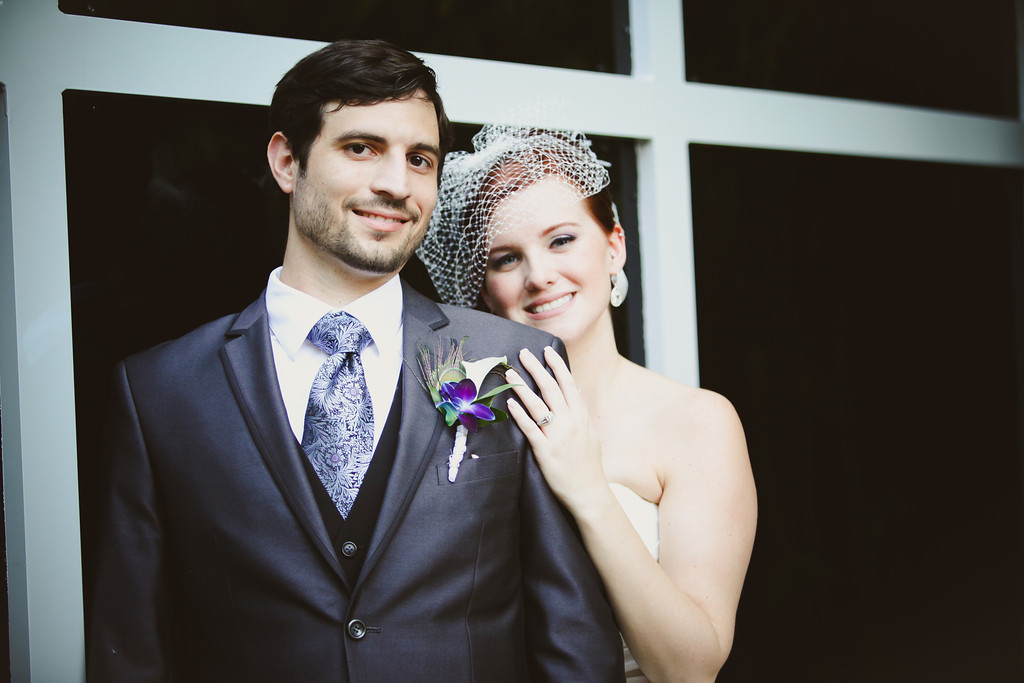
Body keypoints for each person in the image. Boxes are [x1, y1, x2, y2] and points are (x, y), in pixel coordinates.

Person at [86, 42, 624, 682]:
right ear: (288, 161)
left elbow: (572, 637)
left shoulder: (514, 362)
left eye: (419, 159)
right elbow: (131, 652)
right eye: (361, 148)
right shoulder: (159, 392)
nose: (396, 185)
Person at [418, 126, 757, 682]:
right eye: (506, 258)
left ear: (614, 245)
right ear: (483, 288)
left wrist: (589, 491)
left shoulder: (698, 423)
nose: (540, 275)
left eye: (561, 240)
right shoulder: (461, 423)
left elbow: (691, 668)